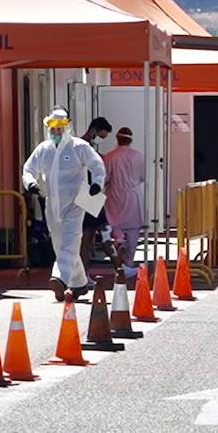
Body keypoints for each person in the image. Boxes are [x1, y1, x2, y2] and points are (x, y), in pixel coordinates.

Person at [21, 108, 106, 301]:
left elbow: (97, 165)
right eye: (53, 129)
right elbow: (28, 168)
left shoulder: (79, 147)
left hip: (76, 202)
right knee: (59, 244)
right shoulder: (43, 149)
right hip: (52, 203)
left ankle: (59, 277)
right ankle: (79, 283)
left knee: (71, 240)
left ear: (67, 127)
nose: (57, 132)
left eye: (60, 128)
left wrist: (97, 184)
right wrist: (30, 183)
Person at [103, 126, 146, 281]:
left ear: (117, 139)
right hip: (133, 195)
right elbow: (142, 176)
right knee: (133, 230)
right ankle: (129, 261)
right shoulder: (138, 156)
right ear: (131, 139)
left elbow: (105, 178)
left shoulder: (109, 157)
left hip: (114, 195)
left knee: (116, 225)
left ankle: (119, 242)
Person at [80, 117, 114, 267]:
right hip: (87, 194)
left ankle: (118, 266)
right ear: (93, 131)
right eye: (101, 136)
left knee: (92, 233)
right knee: (93, 233)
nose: (101, 140)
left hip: (89, 193)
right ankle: (119, 267)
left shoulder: (87, 147)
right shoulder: (82, 147)